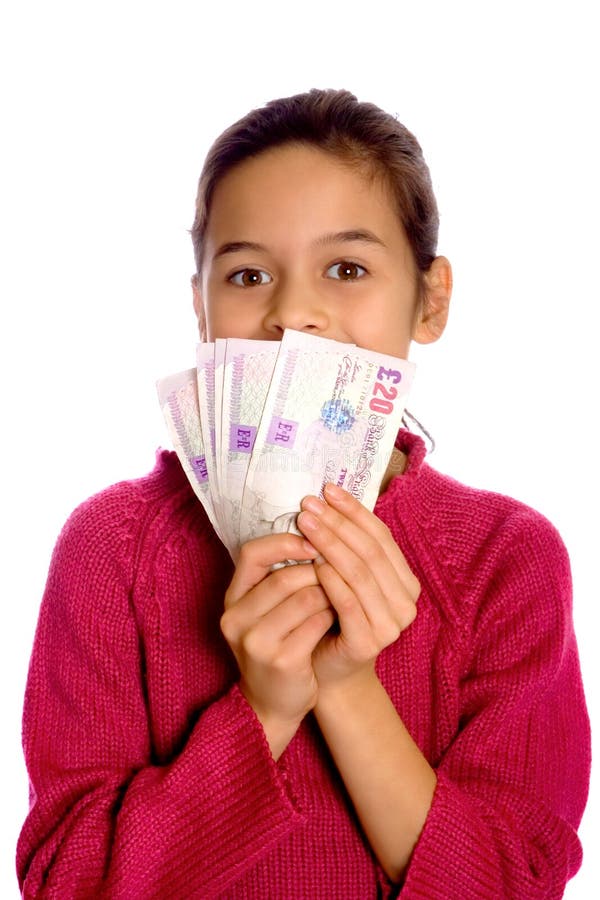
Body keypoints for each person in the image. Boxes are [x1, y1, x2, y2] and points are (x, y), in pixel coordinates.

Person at [17, 88, 590, 899]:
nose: (293, 314)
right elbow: (67, 883)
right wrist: (263, 710)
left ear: (431, 300)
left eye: (347, 268)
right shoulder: (111, 548)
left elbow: (514, 883)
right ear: (201, 308)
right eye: (248, 274)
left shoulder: (506, 557)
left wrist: (348, 687)